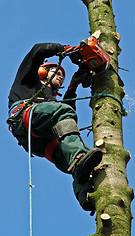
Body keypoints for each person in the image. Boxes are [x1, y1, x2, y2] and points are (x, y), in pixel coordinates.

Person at [7, 42, 102, 211]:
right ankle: (78, 160)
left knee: (83, 154)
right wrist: (66, 50)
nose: (60, 76)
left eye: (62, 75)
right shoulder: (28, 80)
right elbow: (37, 49)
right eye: (56, 72)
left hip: (41, 142)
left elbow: (66, 120)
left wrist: (73, 86)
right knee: (75, 147)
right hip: (24, 118)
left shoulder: (51, 102)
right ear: (42, 72)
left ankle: (85, 194)